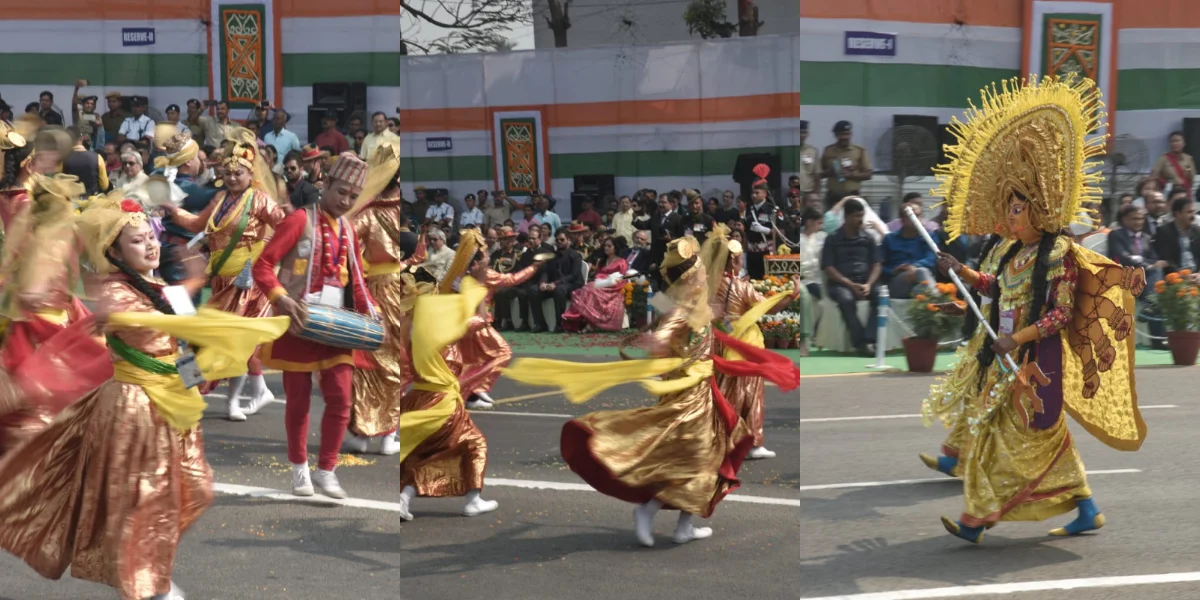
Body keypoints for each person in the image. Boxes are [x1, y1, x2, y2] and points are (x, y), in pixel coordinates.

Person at [0, 196, 287, 600]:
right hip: (134, 406)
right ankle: (146, 583)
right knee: (145, 498)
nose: (151, 245)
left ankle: (138, 564)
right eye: (137, 241)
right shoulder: (117, 294)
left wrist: (193, 386)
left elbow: (183, 340)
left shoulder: (160, 290)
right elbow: (149, 320)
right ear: (115, 252)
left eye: (150, 237)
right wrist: (192, 285)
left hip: (170, 403)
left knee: (196, 489)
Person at [928, 76, 1146, 544]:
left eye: (1018, 209)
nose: (1010, 217)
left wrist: (1018, 339)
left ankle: (978, 517)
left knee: (1020, 437)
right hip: (1004, 357)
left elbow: (1060, 315)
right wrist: (960, 272)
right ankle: (1077, 508)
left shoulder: (1058, 256)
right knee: (1013, 435)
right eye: (1008, 209)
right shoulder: (1012, 254)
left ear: (1039, 212)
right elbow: (995, 289)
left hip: (1037, 361)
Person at [505, 236, 799, 547]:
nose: (705, 274)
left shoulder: (686, 300)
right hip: (689, 397)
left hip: (703, 389)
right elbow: (665, 328)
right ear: (690, 277)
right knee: (695, 456)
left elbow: (677, 316)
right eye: (700, 271)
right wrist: (656, 340)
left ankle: (683, 523)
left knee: (708, 457)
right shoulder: (682, 307)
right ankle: (650, 508)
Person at [253, 151, 378, 499]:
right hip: (299, 321)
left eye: (353, 197)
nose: (346, 201)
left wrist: (369, 309)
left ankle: (327, 469)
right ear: (325, 184)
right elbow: (263, 265)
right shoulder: (298, 220)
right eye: (342, 192)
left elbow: (356, 281)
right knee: (299, 401)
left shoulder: (349, 230)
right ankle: (298, 470)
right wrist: (281, 298)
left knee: (341, 399)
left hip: (336, 325)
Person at [162, 133, 287, 421]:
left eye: (238, 173)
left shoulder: (259, 201)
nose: (232, 178)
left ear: (250, 173)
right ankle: (186, 389)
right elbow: (197, 223)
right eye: (227, 172)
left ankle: (232, 402)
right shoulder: (220, 199)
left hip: (246, 284)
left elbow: (284, 228)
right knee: (200, 338)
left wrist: (265, 256)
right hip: (219, 280)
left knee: (235, 344)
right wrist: (173, 210)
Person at [0, 174, 112, 454]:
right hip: (45, 320)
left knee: (34, 388)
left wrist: (19, 290)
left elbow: (34, 293)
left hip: (41, 325)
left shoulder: (51, 239)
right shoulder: (59, 236)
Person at [343, 143, 427, 455]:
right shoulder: (407, 215)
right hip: (403, 290)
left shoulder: (367, 215)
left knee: (368, 362)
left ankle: (364, 432)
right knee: (396, 361)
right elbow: (421, 258)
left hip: (373, 291)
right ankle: (388, 434)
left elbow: (346, 246)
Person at [396, 276, 501, 520]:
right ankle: (472, 500)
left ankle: (403, 498)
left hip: (416, 398)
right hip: (441, 402)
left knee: (426, 452)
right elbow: (483, 319)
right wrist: (476, 289)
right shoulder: (441, 331)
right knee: (475, 444)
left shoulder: (412, 332)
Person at [705, 225, 803, 459]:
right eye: (739, 259)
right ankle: (752, 442)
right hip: (742, 347)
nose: (740, 263)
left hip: (716, 344)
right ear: (732, 262)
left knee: (719, 393)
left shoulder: (708, 284)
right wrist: (793, 292)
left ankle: (718, 439)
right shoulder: (742, 287)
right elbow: (769, 307)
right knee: (749, 394)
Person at [450, 230, 544, 410]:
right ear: (476, 261)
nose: (488, 257)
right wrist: (534, 267)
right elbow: (512, 279)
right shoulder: (484, 274)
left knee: (471, 360)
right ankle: (474, 386)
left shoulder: (460, 274)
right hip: (478, 324)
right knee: (503, 352)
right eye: (484, 255)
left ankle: (470, 394)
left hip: (461, 323)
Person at [820, 198, 881, 355]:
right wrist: (849, 284)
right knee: (846, 299)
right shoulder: (832, 238)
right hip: (840, 284)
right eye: (856, 216)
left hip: (865, 282)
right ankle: (860, 342)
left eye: (862, 215)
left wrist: (868, 284)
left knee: (881, 296)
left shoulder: (868, 238)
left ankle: (870, 339)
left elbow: (876, 264)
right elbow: (828, 267)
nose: (860, 219)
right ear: (846, 217)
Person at [561, 236, 630, 332]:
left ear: (615, 248)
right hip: (598, 286)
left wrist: (604, 284)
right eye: (605, 246)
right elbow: (598, 275)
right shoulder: (602, 261)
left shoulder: (622, 262)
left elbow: (622, 280)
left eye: (609, 246)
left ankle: (586, 323)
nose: (606, 248)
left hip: (613, 289)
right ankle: (584, 322)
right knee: (584, 290)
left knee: (590, 289)